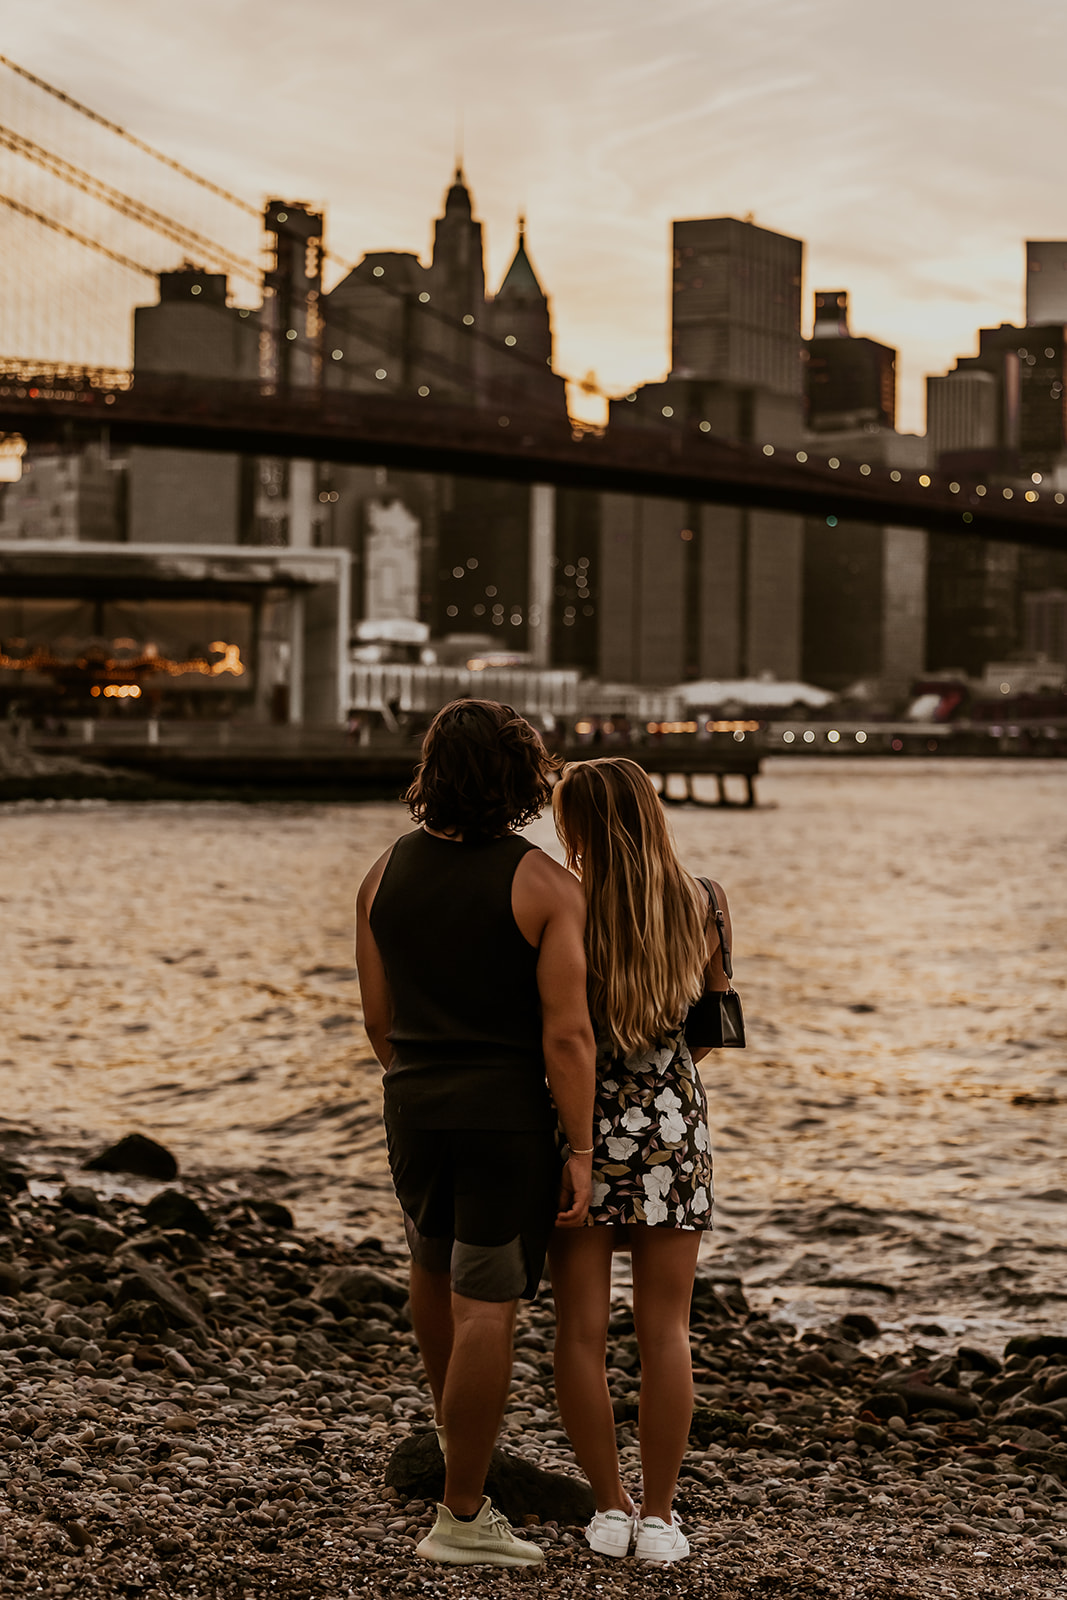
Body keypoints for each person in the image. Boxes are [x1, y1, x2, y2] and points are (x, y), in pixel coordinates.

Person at [355, 699, 596, 1568]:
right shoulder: (544, 886)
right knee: (487, 1304)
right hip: (503, 1117)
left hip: (412, 1105)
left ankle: (459, 1447)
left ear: (434, 772)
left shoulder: (381, 874)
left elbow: (377, 1021)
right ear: (521, 777)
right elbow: (566, 1036)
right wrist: (579, 1150)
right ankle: (461, 1513)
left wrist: (421, 1080)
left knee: (430, 1265)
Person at [548, 756, 731, 1565]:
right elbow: (712, 1023)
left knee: (580, 1332)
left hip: (576, 1130)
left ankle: (607, 1508)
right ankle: (659, 1517)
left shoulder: (562, 905)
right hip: (670, 1127)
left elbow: (552, 1028)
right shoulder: (704, 901)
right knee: (666, 1332)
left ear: (576, 826)